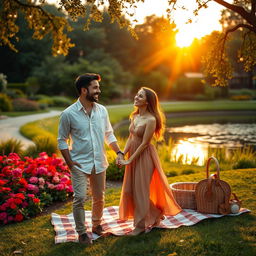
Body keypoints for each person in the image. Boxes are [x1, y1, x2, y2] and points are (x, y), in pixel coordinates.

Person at [57, 73, 124, 244]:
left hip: (99, 162)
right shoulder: (68, 114)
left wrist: (118, 152)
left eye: (98, 88)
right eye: (95, 88)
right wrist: (70, 163)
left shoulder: (102, 111)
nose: (98, 91)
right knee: (79, 198)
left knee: (99, 197)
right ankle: (81, 232)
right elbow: (62, 140)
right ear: (83, 90)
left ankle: (96, 225)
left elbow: (109, 134)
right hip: (79, 164)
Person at [118, 87, 182, 236]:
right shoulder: (134, 116)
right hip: (133, 155)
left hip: (145, 156)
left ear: (147, 102)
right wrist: (122, 154)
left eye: (140, 96)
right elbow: (131, 138)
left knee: (140, 191)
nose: (136, 97)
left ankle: (139, 227)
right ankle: (156, 214)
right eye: (137, 95)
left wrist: (130, 160)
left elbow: (145, 143)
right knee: (130, 190)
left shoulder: (151, 119)